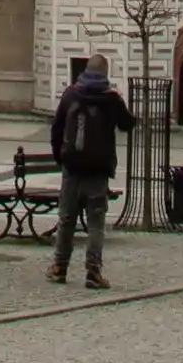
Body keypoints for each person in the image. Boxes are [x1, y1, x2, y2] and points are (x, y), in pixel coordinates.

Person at [47, 54, 134, 290]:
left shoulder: (70, 94)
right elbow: (128, 123)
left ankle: (59, 267)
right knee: (96, 222)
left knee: (66, 219)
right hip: (98, 169)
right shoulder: (111, 98)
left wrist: (61, 157)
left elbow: (56, 128)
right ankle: (93, 272)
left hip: (72, 167)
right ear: (105, 73)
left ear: (85, 70)